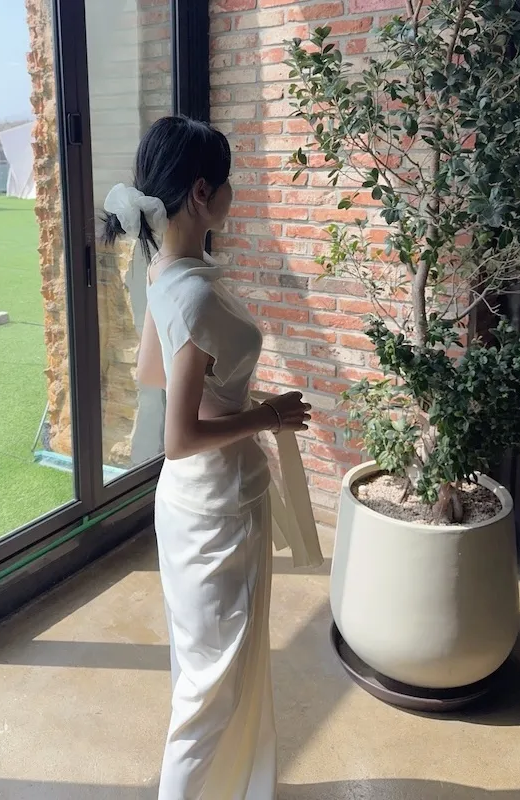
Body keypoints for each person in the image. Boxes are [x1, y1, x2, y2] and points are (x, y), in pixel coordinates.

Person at [103, 116, 311, 800]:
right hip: (218, 507)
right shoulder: (191, 291)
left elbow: (150, 374)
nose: (232, 194)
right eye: (227, 182)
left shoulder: (167, 273)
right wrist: (268, 416)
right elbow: (180, 436)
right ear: (201, 192)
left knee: (209, 672)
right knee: (209, 689)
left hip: (193, 502)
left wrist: (225, 397)